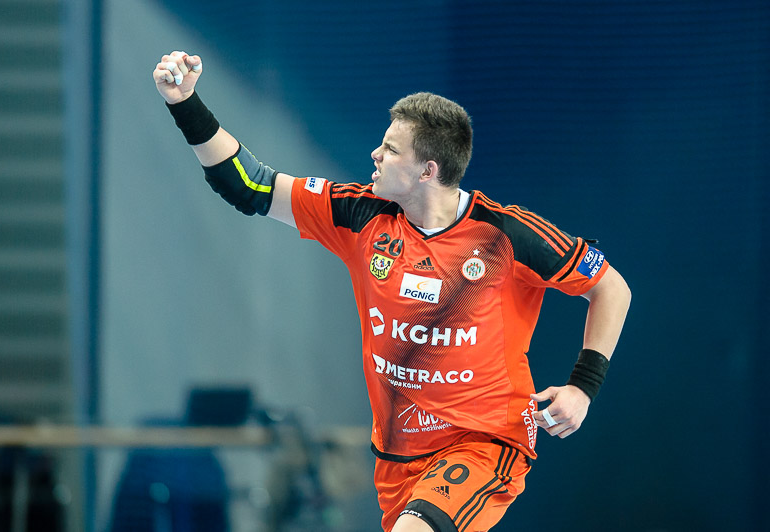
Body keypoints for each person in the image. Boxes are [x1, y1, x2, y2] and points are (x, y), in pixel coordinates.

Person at [153, 50, 631, 532]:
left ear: (427, 170)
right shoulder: (361, 215)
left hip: (485, 441)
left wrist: (583, 387)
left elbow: (611, 287)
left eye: (391, 149)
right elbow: (250, 185)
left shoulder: (505, 235)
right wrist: (184, 102)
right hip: (398, 455)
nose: (375, 155)